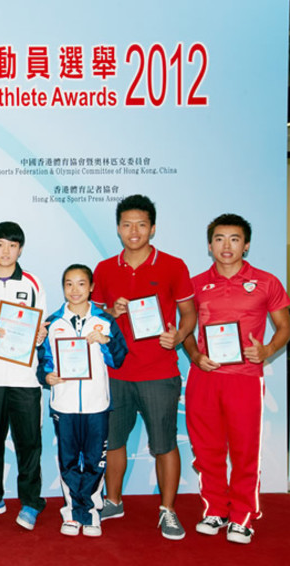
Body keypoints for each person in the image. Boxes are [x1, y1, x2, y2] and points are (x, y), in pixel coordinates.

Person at [91, 194, 196, 540]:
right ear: (118, 228)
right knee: (115, 441)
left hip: (159, 372)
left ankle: (168, 511)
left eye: (140, 224)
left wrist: (178, 336)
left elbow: (189, 312)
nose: (133, 231)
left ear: (152, 227)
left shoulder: (173, 265)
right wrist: (112, 313)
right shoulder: (105, 268)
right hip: (117, 372)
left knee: (164, 443)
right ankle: (113, 501)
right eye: (126, 224)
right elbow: (93, 318)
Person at [182, 214, 290, 545]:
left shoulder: (266, 282)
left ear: (246, 244)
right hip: (204, 377)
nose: (226, 246)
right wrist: (195, 355)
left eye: (233, 239)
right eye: (218, 238)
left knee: (244, 450)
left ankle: (244, 515)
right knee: (207, 449)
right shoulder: (195, 283)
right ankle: (215, 509)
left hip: (244, 378)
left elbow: (284, 326)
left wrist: (268, 349)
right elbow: (186, 329)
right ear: (209, 245)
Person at [40, 264, 127, 537]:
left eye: (81, 284)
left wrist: (105, 341)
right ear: (63, 287)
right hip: (64, 405)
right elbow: (44, 364)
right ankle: (71, 512)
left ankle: (89, 511)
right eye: (68, 284)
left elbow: (120, 358)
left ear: (91, 287)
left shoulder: (105, 320)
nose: (74, 290)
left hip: (96, 404)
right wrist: (47, 377)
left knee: (93, 460)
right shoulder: (52, 323)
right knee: (68, 460)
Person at [0, 221, 49, 529]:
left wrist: (39, 335)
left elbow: (42, 325)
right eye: (0, 244)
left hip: (24, 379)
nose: (6, 251)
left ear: (20, 249)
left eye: (13, 245)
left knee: (28, 442)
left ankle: (31, 502)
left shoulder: (32, 283)